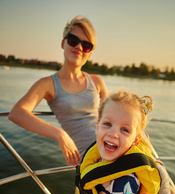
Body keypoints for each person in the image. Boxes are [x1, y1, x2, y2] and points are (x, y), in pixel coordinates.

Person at [9, 15, 107, 165]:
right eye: (73, 40)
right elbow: (17, 113)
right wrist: (59, 134)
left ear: (90, 53)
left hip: (112, 149)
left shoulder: (97, 82)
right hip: (89, 162)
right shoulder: (47, 84)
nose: (79, 47)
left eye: (86, 45)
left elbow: (113, 117)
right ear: (63, 42)